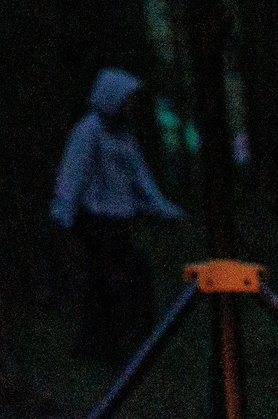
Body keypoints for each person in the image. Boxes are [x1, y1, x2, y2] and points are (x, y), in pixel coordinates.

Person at [50, 68, 185, 360]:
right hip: (96, 221)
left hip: (118, 221)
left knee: (114, 280)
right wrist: (63, 213)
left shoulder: (124, 136)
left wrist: (164, 209)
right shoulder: (89, 131)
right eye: (126, 100)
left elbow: (141, 178)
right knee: (118, 279)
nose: (130, 106)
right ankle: (119, 347)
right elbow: (72, 175)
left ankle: (111, 345)